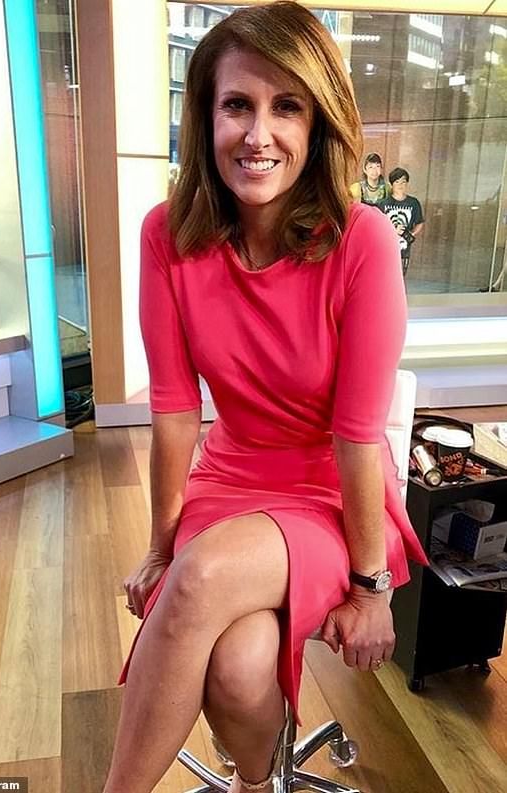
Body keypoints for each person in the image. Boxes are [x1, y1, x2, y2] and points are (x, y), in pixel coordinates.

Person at [106, 5, 428, 793]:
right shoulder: (166, 235)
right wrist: (160, 545)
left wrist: (370, 589)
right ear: (205, 118)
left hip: (331, 495)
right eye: (237, 105)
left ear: (318, 124)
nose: (259, 134)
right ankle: (256, 786)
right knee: (240, 664)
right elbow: (175, 409)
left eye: (287, 107)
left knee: (202, 578)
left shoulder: (362, 241)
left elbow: (357, 436)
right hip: (230, 480)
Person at [376, 168, 425, 276]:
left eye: (403, 181)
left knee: (401, 275)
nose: (400, 185)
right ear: (391, 184)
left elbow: (419, 222)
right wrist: (392, 231)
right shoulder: (383, 204)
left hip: (404, 249)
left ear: (407, 183)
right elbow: (378, 227)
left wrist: (411, 234)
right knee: (385, 274)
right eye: (397, 182)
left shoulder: (413, 203)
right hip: (385, 248)